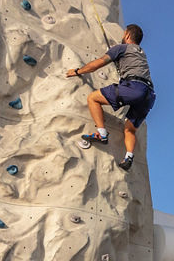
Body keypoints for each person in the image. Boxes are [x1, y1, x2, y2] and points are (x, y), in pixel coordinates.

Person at [66, 24, 155, 171]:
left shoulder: (121, 48)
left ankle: (102, 134)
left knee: (93, 98)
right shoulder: (140, 52)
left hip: (134, 88)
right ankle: (129, 157)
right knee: (129, 129)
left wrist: (78, 71)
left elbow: (97, 64)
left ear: (127, 35)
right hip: (149, 94)